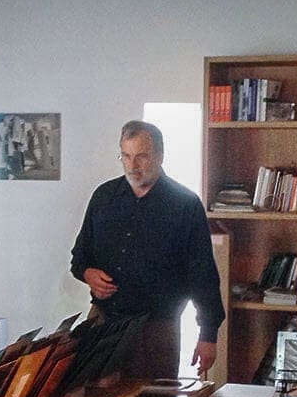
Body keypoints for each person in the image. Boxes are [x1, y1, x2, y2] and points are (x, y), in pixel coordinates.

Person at [70, 120, 225, 378]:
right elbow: (79, 256)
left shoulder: (184, 204)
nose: (133, 166)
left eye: (141, 157)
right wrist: (87, 273)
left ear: (160, 156)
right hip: (103, 323)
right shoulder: (103, 197)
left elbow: (203, 276)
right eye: (126, 156)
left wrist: (208, 334)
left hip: (156, 329)